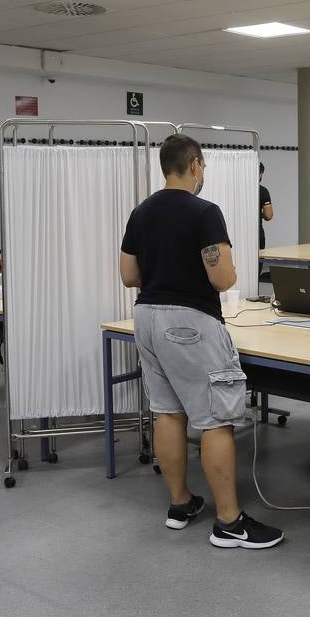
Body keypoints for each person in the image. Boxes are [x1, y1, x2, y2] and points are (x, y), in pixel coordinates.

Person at [119, 134, 283, 549]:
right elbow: (223, 278)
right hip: (190, 321)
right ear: (194, 165)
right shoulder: (204, 211)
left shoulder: (141, 212)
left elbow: (128, 276)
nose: (204, 173)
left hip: (147, 317)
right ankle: (229, 522)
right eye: (204, 167)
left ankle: (180, 504)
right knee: (214, 419)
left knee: (168, 412)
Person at [258, 162, 273, 249]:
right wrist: (259, 214)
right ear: (260, 174)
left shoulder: (235, 189)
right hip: (257, 234)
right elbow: (268, 216)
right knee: (257, 261)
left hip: (237, 232)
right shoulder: (263, 191)